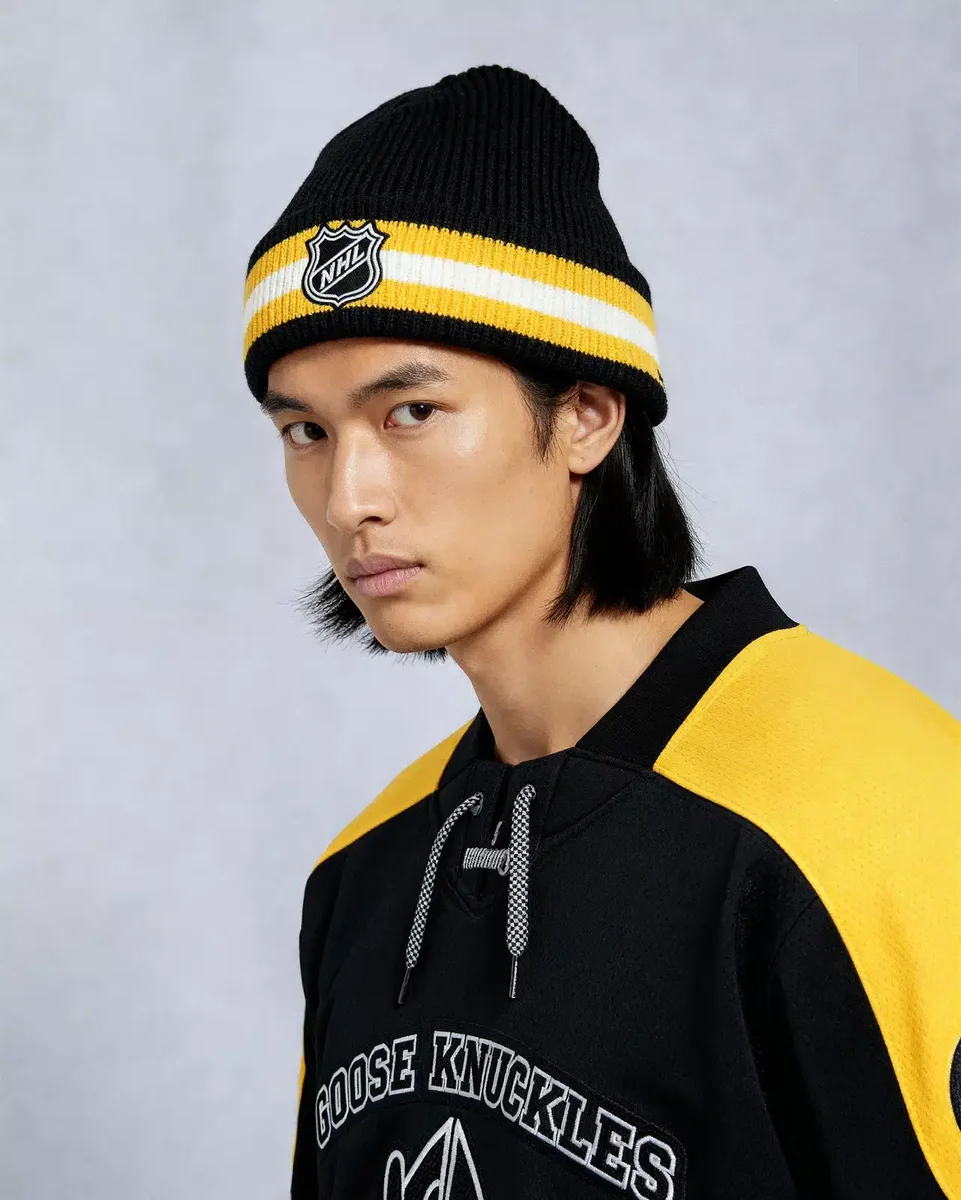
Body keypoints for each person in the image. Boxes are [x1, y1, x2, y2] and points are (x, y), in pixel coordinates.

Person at [242, 64, 960, 1199]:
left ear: (585, 415)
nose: (348, 498)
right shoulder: (364, 875)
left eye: (411, 412)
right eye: (305, 432)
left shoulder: (882, 810)